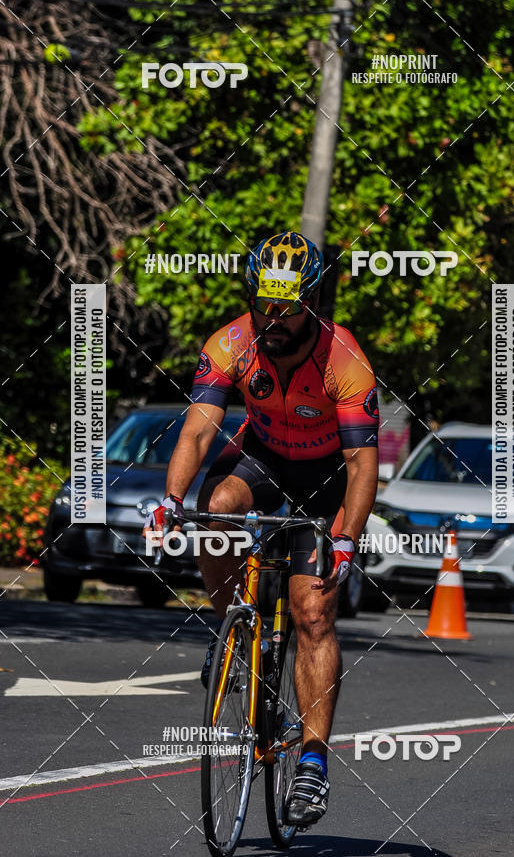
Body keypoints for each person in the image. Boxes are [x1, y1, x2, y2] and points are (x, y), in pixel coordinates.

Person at [144, 231, 379, 827]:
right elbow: (198, 431)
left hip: (327, 481)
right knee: (217, 503)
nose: (273, 319)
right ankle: (231, 629)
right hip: (266, 462)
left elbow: (361, 466)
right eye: (264, 303)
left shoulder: (343, 359)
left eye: (288, 307)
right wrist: (171, 499)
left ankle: (313, 763)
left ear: (313, 303)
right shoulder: (231, 343)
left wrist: (347, 537)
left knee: (313, 613)